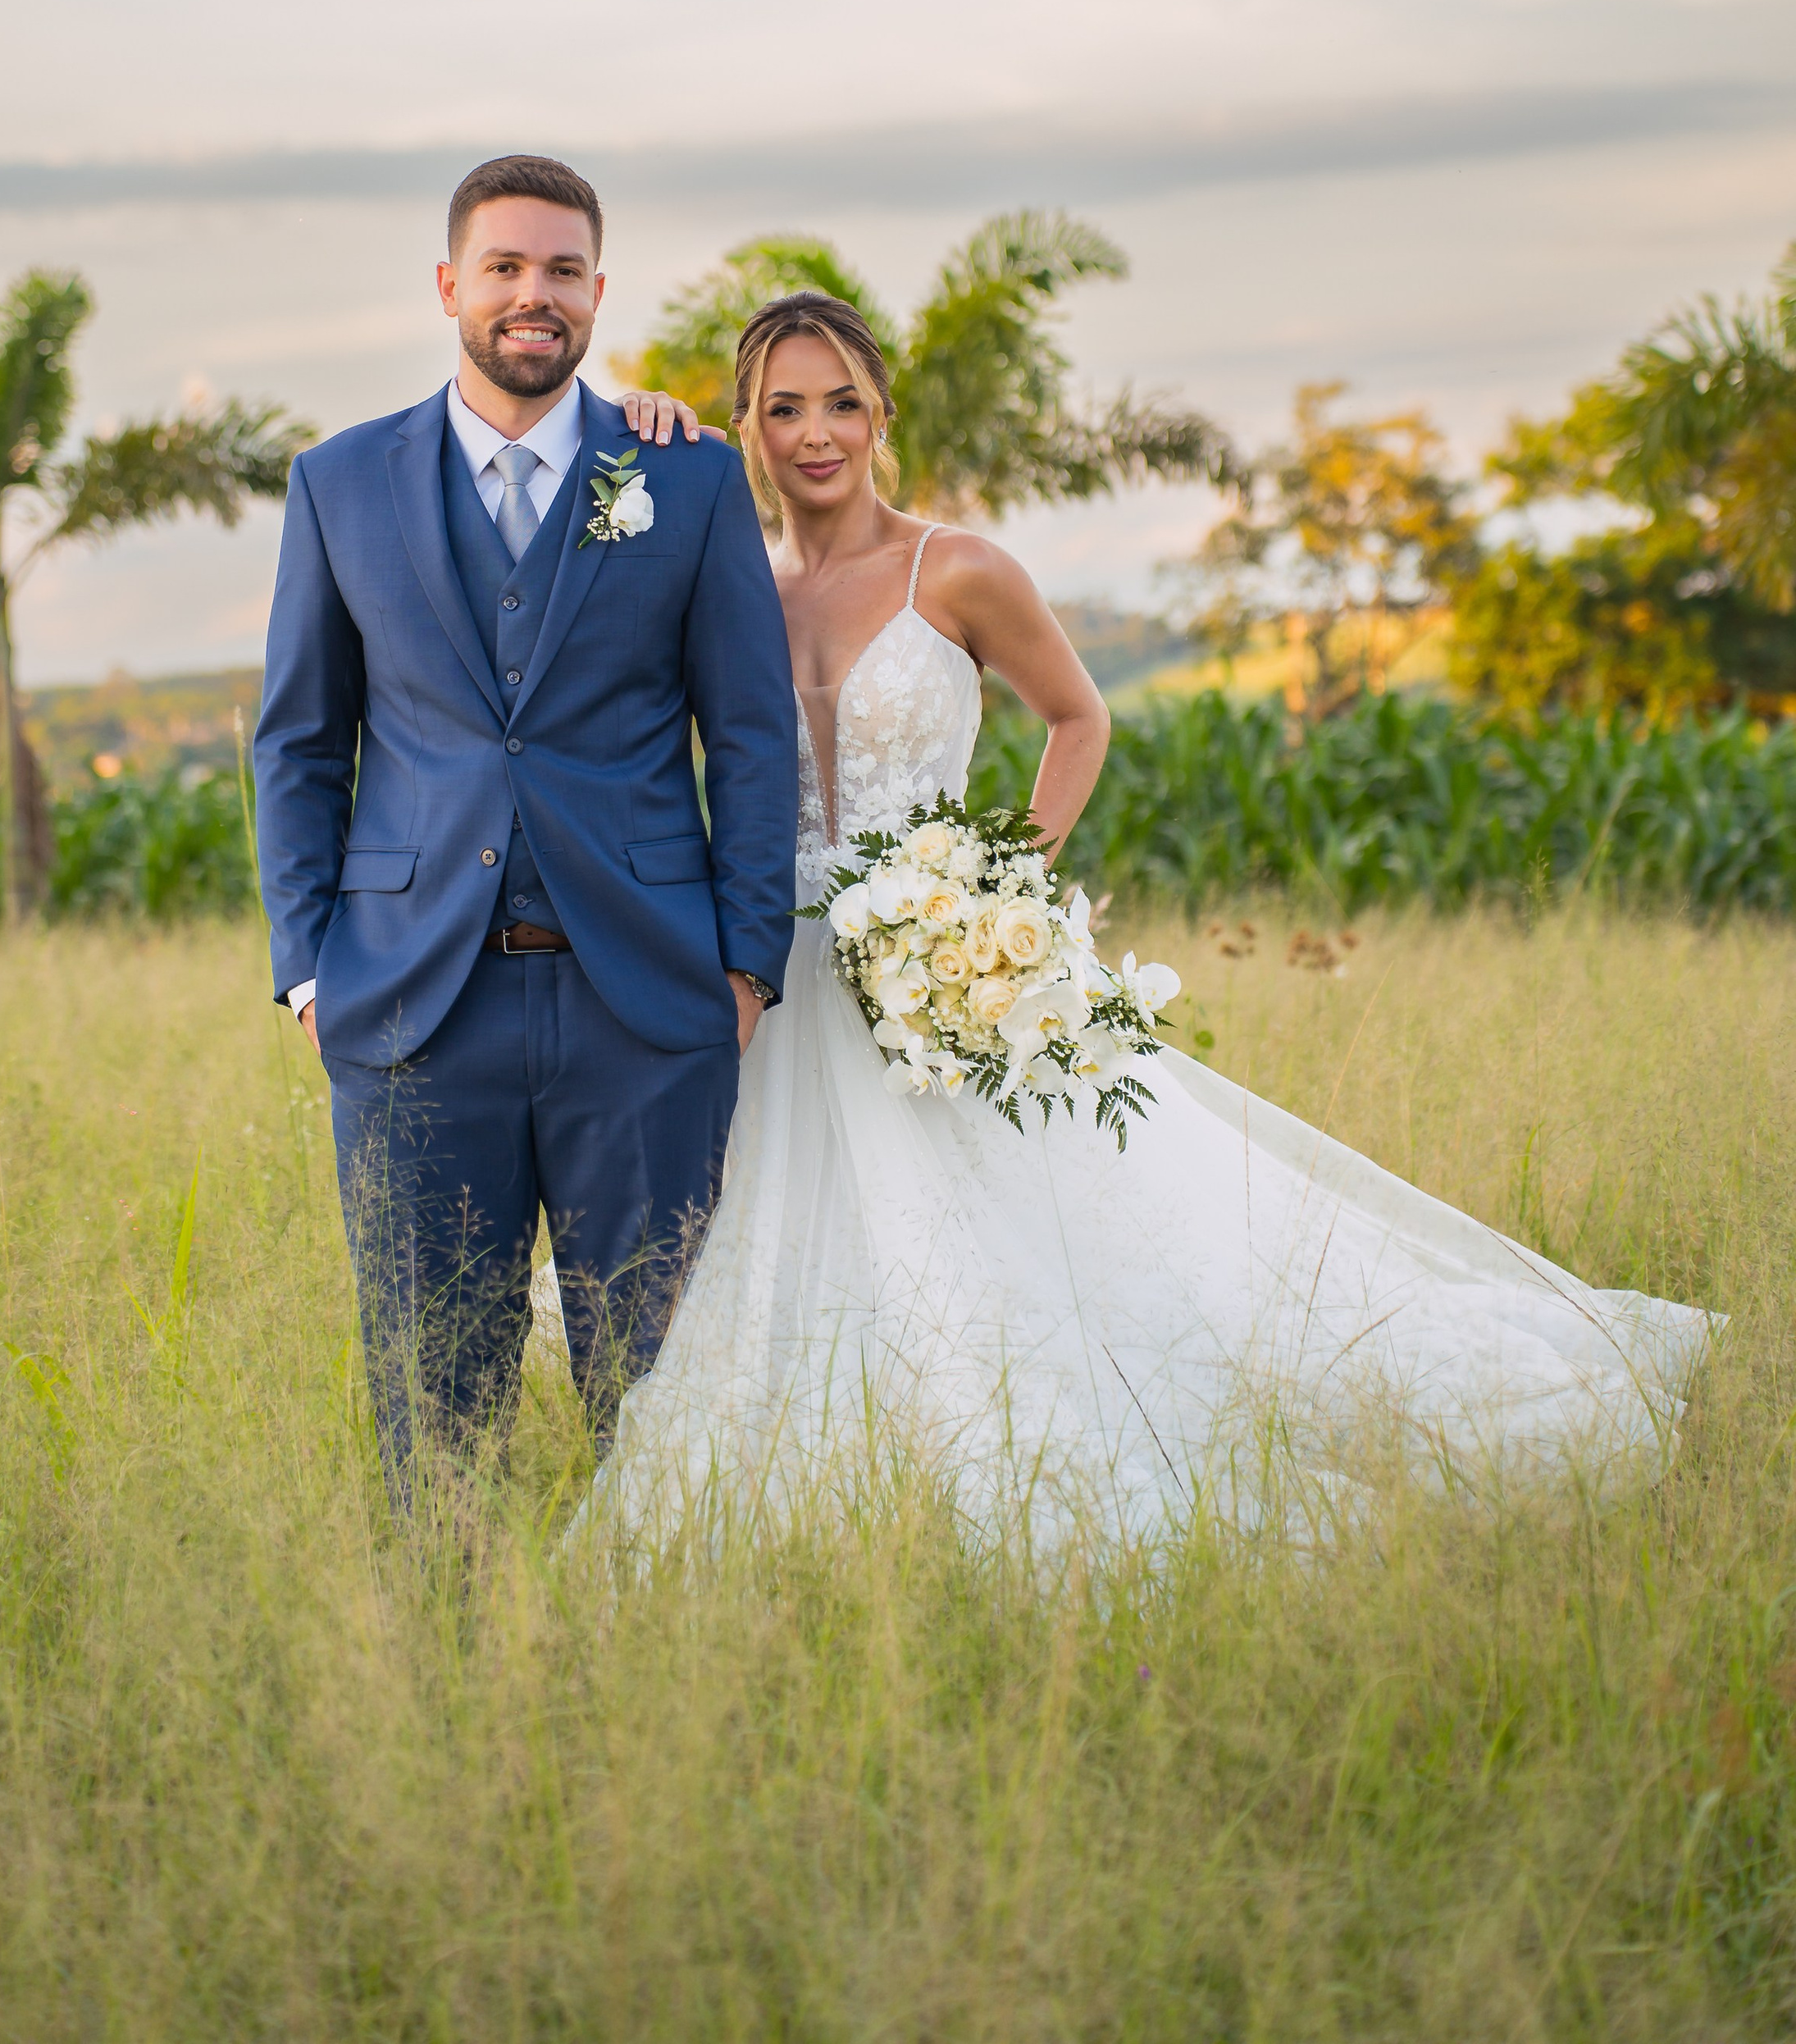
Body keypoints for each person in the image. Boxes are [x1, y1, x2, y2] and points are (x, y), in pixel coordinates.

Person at [582, 291, 1716, 1545]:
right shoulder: (729, 578)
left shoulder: (953, 567)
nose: (815, 433)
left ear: (882, 413)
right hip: (777, 975)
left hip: (936, 964)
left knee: (1036, 1241)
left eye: (842, 402)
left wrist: (995, 885)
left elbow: (1082, 717)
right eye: (783, 406)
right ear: (743, 423)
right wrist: (639, 424)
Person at [254, 153, 796, 1485]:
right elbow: (300, 740)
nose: (532, 296)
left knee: (662, 1393)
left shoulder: (688, 479)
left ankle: (663, 1658)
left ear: (598, 293)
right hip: (411, 1006)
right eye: (504, 267)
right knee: (431, 1393)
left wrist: (746, 966)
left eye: (562, 270)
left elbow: (752, 733)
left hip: (650, 1007)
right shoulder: (339, 484)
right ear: (451, 285)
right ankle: (437, 1664)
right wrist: (312, 970)